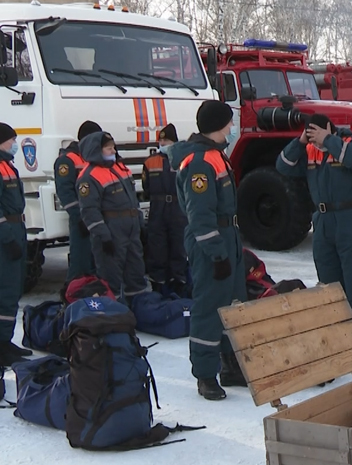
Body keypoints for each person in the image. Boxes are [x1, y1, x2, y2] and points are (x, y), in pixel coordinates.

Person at [277, 113, 352, 338]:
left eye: (317, 137)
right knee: (328, 281)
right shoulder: (310, 149)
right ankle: (337, 334)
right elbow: (283, 166)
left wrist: (329, 140)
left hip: (351, 217)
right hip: (323, 220)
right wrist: (301, 141)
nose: (315, 144)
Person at [173, 100, 246, 400]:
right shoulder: (201, 162)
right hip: (212, 240)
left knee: (233, 303)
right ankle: (205, 374)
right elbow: (201, 215)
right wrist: (216, 254)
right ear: (218, 125)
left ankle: (230, 365)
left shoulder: (216, 156)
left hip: (228, 235)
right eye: (228, 122)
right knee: (208, 307)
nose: (232, 126)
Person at [77, 131, 148, 302]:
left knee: (136, 272)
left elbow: (133, 199)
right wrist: (103, 236)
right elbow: (89, 210)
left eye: (113, 148)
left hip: (130, 227)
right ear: (97, 150)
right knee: (111, 276)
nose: (113, 151)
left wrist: (140, 224)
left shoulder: (120, 168)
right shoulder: (89, 176)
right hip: (111, 229)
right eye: (108, 148)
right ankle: (113, 314)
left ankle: (139, 310)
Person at [142, 123, 188, 295]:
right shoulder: (150, 162)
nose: (163, 145)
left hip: (178, 208)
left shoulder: (183, 160)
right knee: (157, 248)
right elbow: (147, 187)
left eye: (167, 141)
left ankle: (179, 284)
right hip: (158, 209)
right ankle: (158, 286)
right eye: (161, 142)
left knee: (178, 247)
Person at [53, 120, 101, 281]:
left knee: (96, 264)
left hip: (97, 218)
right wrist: (78, 217)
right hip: (81, 219)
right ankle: (73, 298)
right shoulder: (68, 160)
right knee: (81, 264)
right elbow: (65, 192)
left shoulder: (91, 157)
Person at [0, 123, 31, 366]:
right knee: (6, 291)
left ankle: (6, 341)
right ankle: (1, 346)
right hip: (6, 234)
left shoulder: (7, 166)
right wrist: (8, 237)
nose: (14, 144)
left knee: (15, 288)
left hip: (16, 229)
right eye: (11, 140)